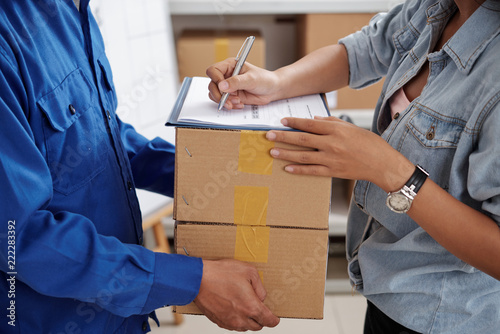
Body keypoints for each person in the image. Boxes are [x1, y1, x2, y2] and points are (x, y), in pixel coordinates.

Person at [207, 0, 500, 333]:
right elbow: (360, 52)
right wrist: (276, 82)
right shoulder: (437, 6)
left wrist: (389, 170)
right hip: (387, 287)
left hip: (447, 316)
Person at [0, 0, 280, 333]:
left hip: (120, 315)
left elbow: (99, 138)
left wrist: (203, 175)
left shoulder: (74, 10)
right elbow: (17, 237)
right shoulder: (8, 36)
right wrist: (190, 280)